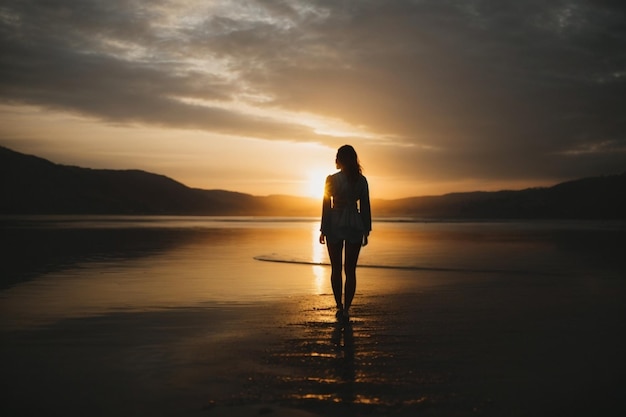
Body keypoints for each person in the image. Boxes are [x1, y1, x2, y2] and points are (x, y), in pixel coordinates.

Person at [319, 145, 371, 321]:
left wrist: (323, 229)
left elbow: (326, 205)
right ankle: (347, 308)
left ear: (339, 159)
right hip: (355, 224)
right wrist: (366, 230)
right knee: (350, 270)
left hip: (334, 222)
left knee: (336, 268)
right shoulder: (361, 180)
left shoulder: (331, 179)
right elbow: (365, 207)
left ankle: (339, 307)